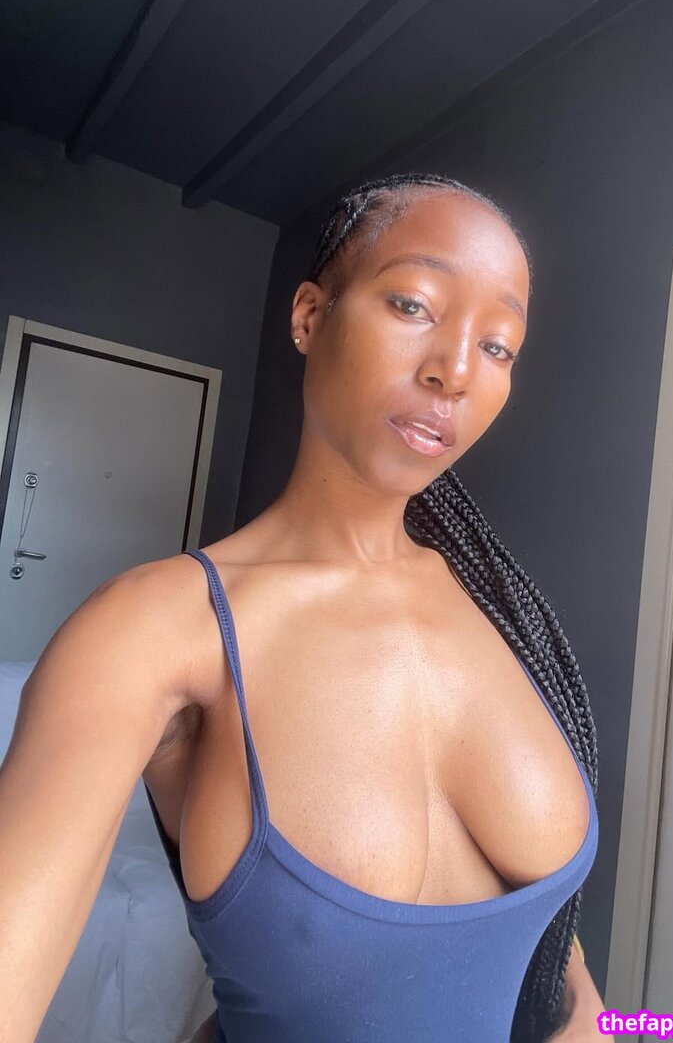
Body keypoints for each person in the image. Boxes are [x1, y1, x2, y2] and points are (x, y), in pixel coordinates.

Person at [0, 172, 606, 1042]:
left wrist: (588, 1008)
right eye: (413, 305)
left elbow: (543, 922)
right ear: (311, 316)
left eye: (499, 346)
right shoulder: (151, 632)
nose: (455, 371)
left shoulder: (505, 612)